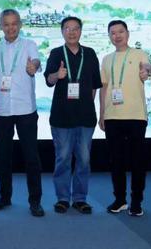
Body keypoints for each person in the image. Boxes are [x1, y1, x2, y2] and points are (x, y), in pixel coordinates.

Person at [0, 9, 44, 217]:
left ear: (20, 25)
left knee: (31, 157)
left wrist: (33, 66)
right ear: (1, 26)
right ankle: (4, 196)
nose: (10, 28)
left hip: (25, 109)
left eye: (14, 24)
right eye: (6, 24)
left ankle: (35, 201)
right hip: (2, 109)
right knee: (3, 156)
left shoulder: (29, 45)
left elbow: (36, 62)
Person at [44, 16, 101, 214]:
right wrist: (56, 75)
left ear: (80, 31)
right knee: (63, 159)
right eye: (67, 28)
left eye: (75, 28)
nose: (72, 32)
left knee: (84, 160)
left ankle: (80, 199)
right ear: (62, 32)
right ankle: (62, 198)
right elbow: (49, 80)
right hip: (61, 117)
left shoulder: (90, 53)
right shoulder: (56, 53)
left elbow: (95, 85)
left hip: (85, 117)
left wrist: (87, 105)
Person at [99, 20, 151, 217]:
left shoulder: (139, 54)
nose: (117, 36)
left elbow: (147, 68)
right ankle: (119, 199)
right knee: (116, 161)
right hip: (112, 116)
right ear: (109, 36)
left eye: (121, 31)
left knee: (138, 161)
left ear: (127, 34)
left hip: (136, 116)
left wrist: (146, 71)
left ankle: (136, 201)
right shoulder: (106, 59)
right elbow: (104, 87)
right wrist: (102, 114)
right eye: (113, 33)